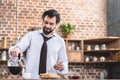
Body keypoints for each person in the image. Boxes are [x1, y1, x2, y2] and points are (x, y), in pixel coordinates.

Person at [9, 9, 68, 77]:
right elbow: (18, 47)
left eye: (51, 24)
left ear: (56, 24)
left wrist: (62, 67)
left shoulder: (60, 41)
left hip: (50, 78)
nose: (47, 26)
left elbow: (64, 62)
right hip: (31, 78)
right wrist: (16, 49)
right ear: (42, 21)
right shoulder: (31, 36)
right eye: (45, 22)